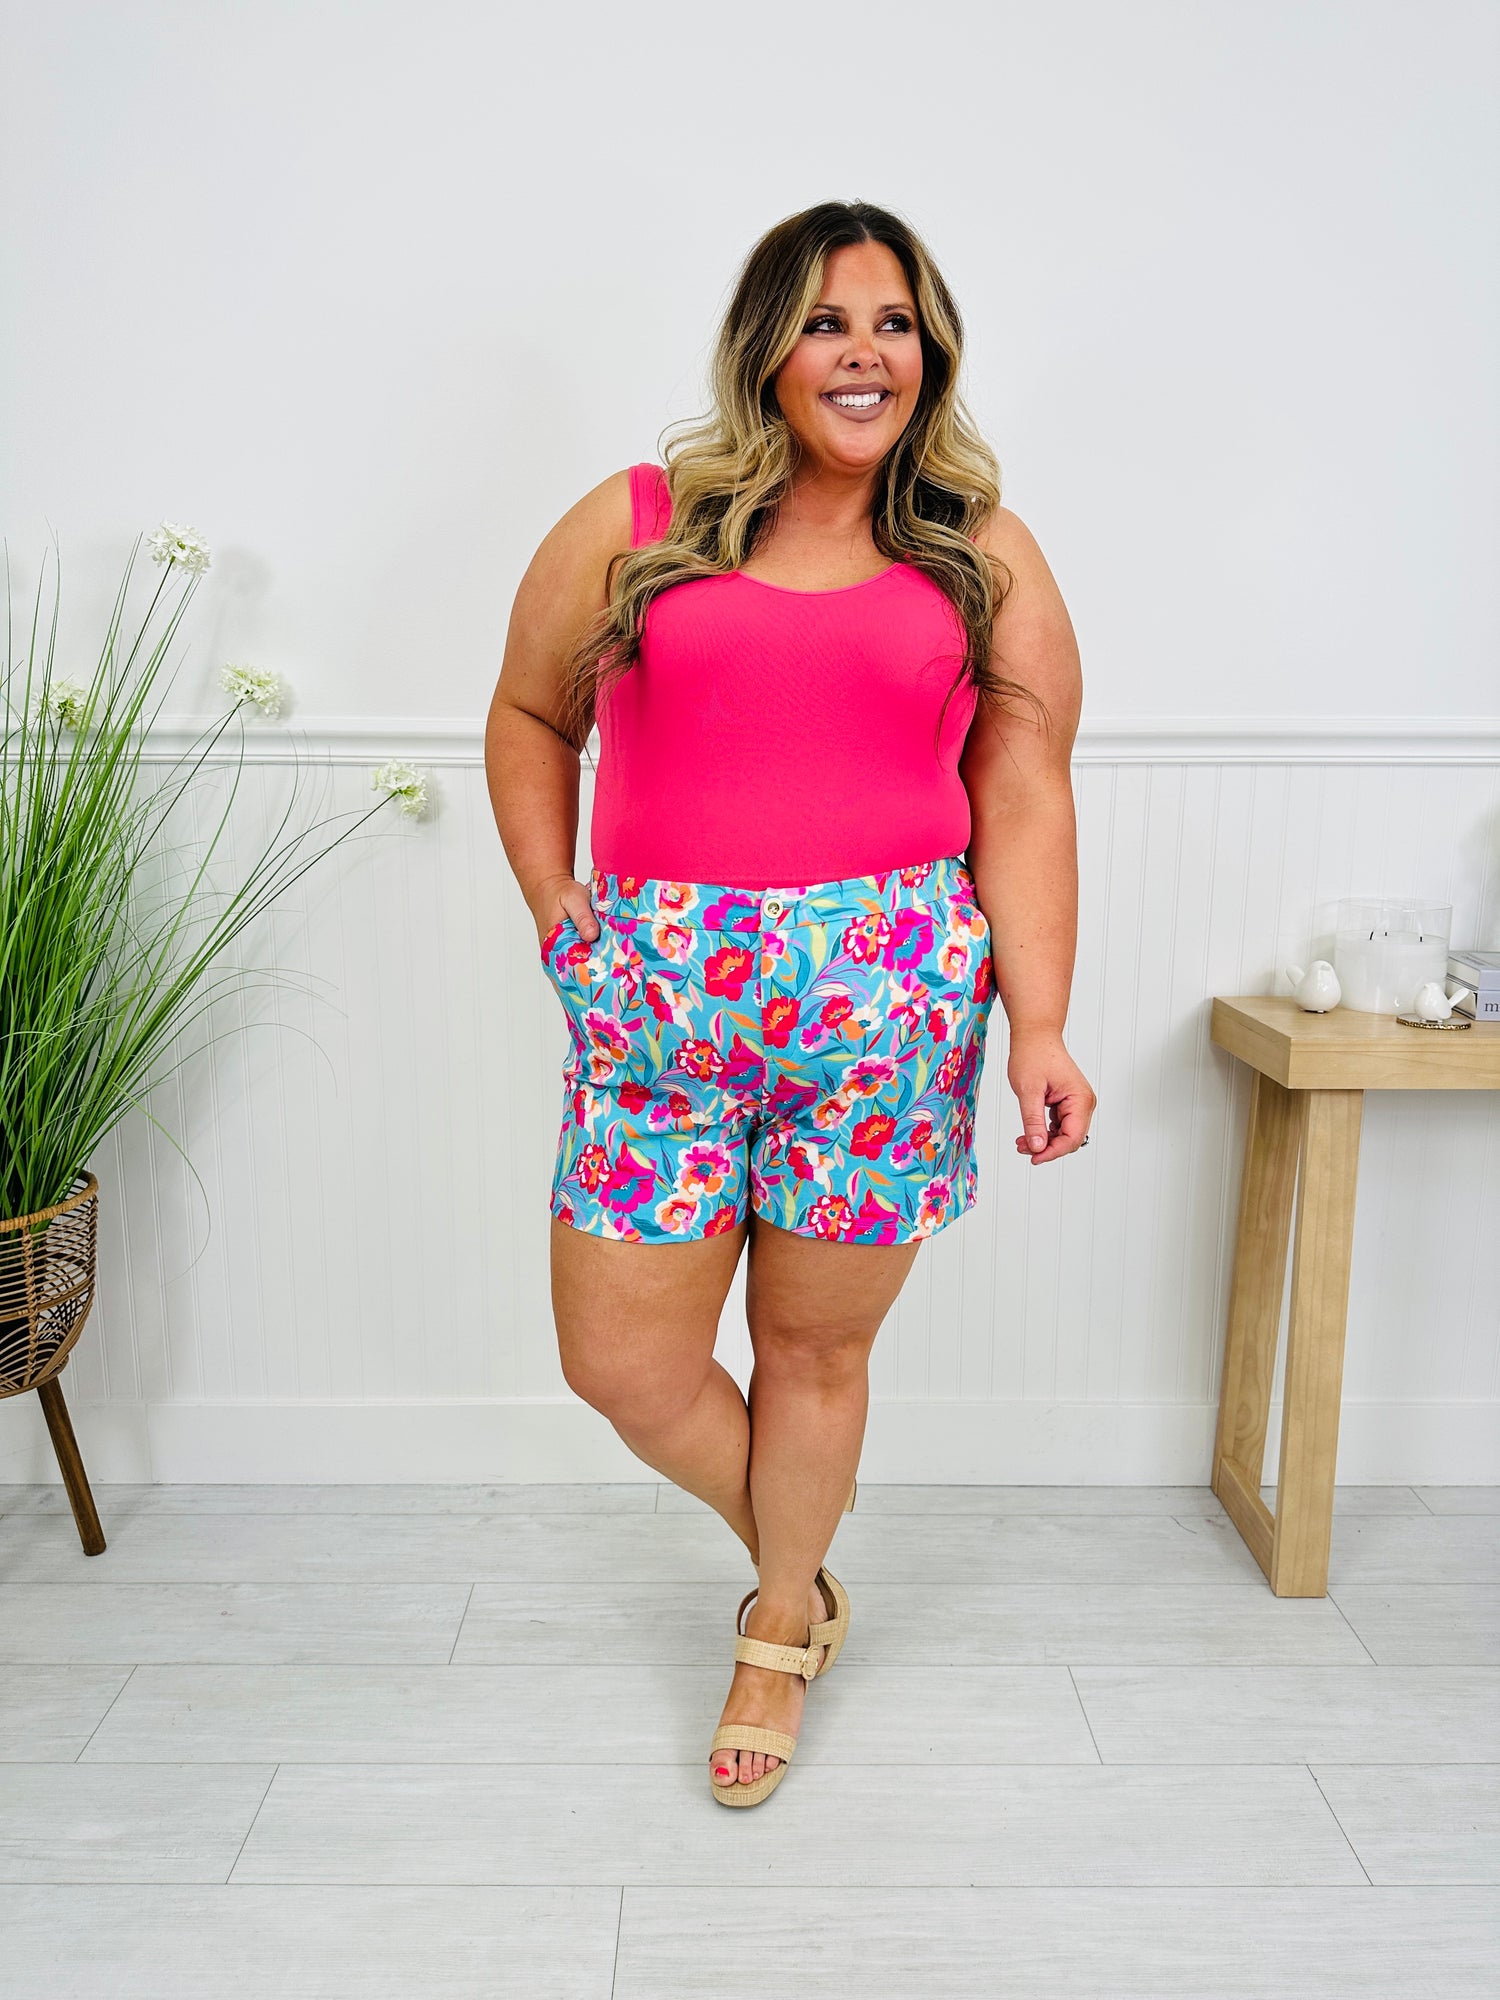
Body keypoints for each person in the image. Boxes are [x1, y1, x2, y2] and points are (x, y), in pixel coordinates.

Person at [484, 198, 1094, 1807]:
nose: (862, 354)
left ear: (930, 354)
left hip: (890, 1015)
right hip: (656, 1015)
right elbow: (532, 715)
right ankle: (802, 1553)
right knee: (623, 1365)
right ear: (767, 347)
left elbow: (1025, 790)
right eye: (827, 321)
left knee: (814, 1352)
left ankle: (774, 1626)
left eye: (893, 324)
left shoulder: (982, 553)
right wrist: (555, 905)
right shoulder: (640, 522)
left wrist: (1038, 1022)